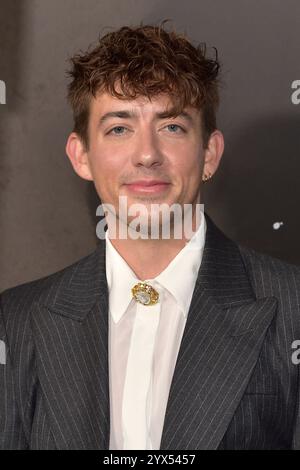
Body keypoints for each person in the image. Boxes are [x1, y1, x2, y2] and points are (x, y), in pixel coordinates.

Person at [1, 22, 300, 451]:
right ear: (81, 155)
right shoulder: (14, 322)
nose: (147, 154)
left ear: (210, 153)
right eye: (119, 128)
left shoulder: (293, 309)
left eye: (172, 126)